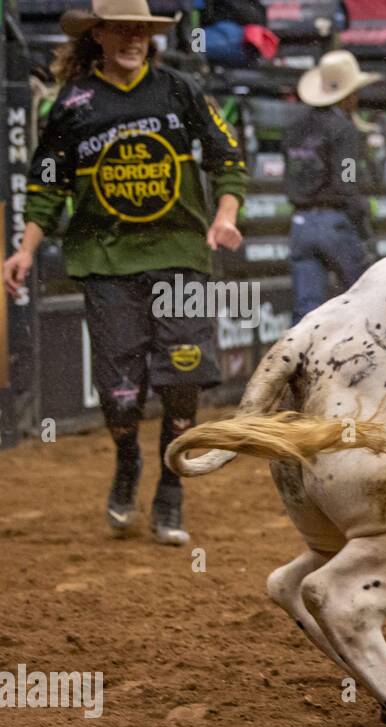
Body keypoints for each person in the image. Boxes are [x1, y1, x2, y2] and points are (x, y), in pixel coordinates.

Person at [2, 0, 247, 546]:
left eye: (140, 30)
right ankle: (128, 459)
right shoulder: (72, 103)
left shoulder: (179, 90)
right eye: (121, 29)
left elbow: (226, 157)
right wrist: (24, 250)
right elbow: (46, 187)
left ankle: (170, 489)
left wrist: (226, 215)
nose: (132, 39)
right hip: (106, 263)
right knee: (119, 394)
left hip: (182, 257)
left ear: (151, 37)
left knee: (183, 379)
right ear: (100, 35)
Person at [285, 49, 378, 325]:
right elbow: (346, 180)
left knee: (306, 308)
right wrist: (361, 219)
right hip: (334, 222)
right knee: (365, 295)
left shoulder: (294, 128)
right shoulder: (343, 130)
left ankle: (298, 366)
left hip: (300, 223)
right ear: (348, 96)